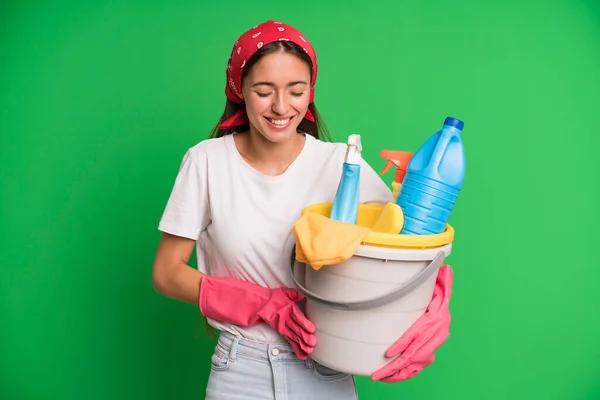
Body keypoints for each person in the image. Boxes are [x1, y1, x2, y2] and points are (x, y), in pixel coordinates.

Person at [152, 20, 453, 399]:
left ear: (310, 91)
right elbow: (166, 273)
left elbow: (404, 248)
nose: (281, 107)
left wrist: (436, 303)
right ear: (239, 89)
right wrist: (263, 303)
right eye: (264, 91)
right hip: (241, 371)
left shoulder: (343, 165)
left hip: (326, 370)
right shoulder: (207, 162)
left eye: (296, 91)